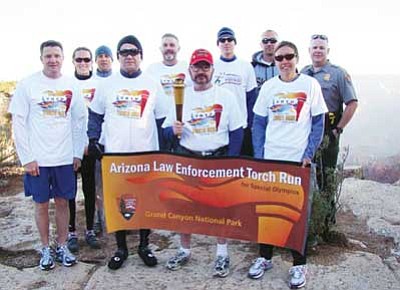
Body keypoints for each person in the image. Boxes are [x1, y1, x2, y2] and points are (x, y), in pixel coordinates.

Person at [87, 35, 169, 270]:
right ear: (119, 57)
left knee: (145, 202)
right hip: (116, 155)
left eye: (134, 52)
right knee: (119, 204)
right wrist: (94, 140)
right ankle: (121, 248)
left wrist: (164, 151)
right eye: (124, 52)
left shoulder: (153, 83)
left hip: (145, 155)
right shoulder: (107, 84)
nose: (129, 56)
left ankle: (144, 245)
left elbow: (162, 119)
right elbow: (95, 115)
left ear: (141, 56)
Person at [250, 41, 327, 288]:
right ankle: (264, 257)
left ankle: (299, 265)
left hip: (297, 162)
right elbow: (259, 123)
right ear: (275, 61)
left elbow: (318, 122)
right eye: (280, 58)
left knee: (297, 216)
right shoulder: (269, 87)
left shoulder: (310, 85)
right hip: (271, 159)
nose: (284, 61)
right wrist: (260, 155)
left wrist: (309, 153)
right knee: (267, 211)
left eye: (289, 57)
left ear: (296, 58)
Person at [163, 48, 244, 278]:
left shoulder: (225, 96)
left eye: (205, 67)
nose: (201, 71)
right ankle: (184, 249)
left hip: (217, 157)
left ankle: (221, 253)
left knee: (219, 207)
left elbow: (237, 131)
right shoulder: (181, 95)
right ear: (189, 69)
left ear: (212, 70)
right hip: (188, 157)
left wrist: (232, 161)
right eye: (197, 67)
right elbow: (166, 132)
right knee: (185, 208)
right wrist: (172, 130)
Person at [8, 40, 86, 270]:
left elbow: (79, 120)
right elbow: (18, 123)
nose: (53, 60)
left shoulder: (72, 85)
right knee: (41, 204)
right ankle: (45, 248)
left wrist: (77, 152)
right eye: (48, 56)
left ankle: (62, 246)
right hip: (38, 160)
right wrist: (27, 157)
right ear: (41, 58)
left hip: (64, 158)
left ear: (63, 59)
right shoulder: (28, 85)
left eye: (57, 56)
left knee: (63, 203)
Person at [301, 34, 358, 225]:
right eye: (314, 47)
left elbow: (352, 104)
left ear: (327, 51)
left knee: (326, 178)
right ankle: (305, 222)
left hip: (328, 132)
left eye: (321, 48)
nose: (318, 51)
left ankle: (325, 224)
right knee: (305, 175)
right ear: (309, 51)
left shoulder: (338, 74)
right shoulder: (303, 72)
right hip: (305, 132)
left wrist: (338, 130)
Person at [67, 47, 100, 253]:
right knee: (70, 192)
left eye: (86, 59)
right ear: (73, 61)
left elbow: (97, 116)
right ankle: (71, 232)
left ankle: (89, 230)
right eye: (78, 59)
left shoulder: (99, 84)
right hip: (69, 146)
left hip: (89, 146)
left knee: (90, 190)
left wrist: (90, 141)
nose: (83, 62)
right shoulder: (66, 84)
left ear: (92, 62)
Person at [213, 27, 257, 156]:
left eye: (230, 39)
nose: (226, 43)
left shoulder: (246, 66)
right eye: (222, 40)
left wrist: (249, 125)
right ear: (218, 44)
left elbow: (251, 98)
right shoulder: (212, 66)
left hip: (240, 126)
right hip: (218, 127)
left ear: (235, 42)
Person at [146, 33, 191, 150]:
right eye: (165, 45)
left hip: (182, 121)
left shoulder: (187, 67)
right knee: (162, 160)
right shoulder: (151, 69)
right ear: (160, 48)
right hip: (159, 120)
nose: (168, 48)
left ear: (178, 48)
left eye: (172, 45)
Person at [92, 44, 113, 234]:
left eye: (107, 55)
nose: (104, 59)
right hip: (99, 142)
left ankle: (124, 216)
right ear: (95, 60)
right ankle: (100, 218)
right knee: (99, 184)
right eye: (100, 56)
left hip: (116, 142)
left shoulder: (119, 79)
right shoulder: (90, 81)